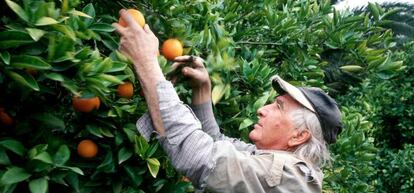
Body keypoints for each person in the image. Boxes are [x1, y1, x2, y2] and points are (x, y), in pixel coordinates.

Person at [113, 9, 342, 193]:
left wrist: (145, 61)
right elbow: (216, 144)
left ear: (299, 136)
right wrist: (203, 90)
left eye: (278, 107)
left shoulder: (289, 177)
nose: (263, 109)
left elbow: (202, 159)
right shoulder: (264, 161)